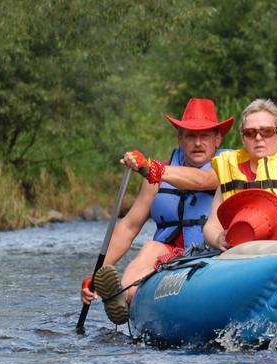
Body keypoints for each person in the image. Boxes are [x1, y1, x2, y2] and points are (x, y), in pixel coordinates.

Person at [83, 97, 231, 324]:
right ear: (180, 138)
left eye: (205, 136)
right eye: (191, 136)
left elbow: (202, 180)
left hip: (211, 252)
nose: (198, 143)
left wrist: (150, 168)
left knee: (157, 251)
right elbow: (129, 226)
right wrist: (96, 274)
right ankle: (122, 297)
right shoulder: (154, 178)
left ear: (217, 139)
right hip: (170, 256)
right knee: (150, 247)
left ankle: (129, 297)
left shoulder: (227, 168)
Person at [203, 98, 277, 249]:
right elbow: (211, 225)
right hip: (241, 247)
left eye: (266, 131)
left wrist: (253, 228)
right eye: (250, 133)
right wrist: (218, 238)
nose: (258, 138)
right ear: (243, 138)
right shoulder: (231, 171)